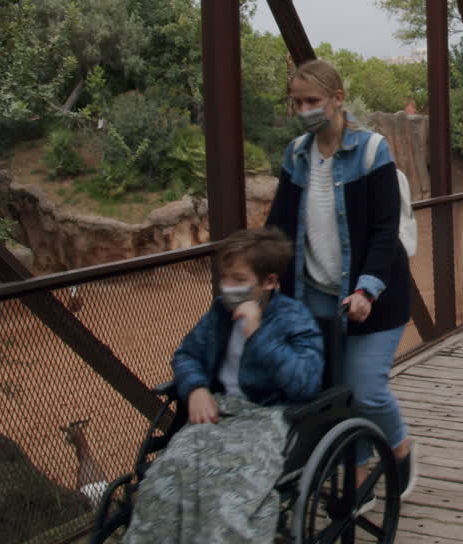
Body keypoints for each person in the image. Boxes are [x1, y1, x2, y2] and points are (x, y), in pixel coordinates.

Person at [266, 58, 418, 499]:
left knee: (366, 390)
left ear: (337, 99)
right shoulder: (296, 155)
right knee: (326, 391)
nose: (304, 110)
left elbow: (385, 231)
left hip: (376, 294)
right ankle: (357, 475)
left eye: (312, 101)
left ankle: (400, 447)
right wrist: (258, 273)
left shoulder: (372, 151)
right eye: (296, 102)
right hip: (313, 291)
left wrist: (366, 288)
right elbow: (278, 225)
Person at [123, 228, 323, 544]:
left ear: (269, 282)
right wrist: (197, 388)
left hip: (268, 417)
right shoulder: (219, 312)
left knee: (228, 488)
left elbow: (305, 383)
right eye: (226, 278)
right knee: (171, 469)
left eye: (239, 279)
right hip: (219, 410)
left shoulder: (293, 319)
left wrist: (259, 335)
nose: (229, 287)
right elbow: (187, 354)